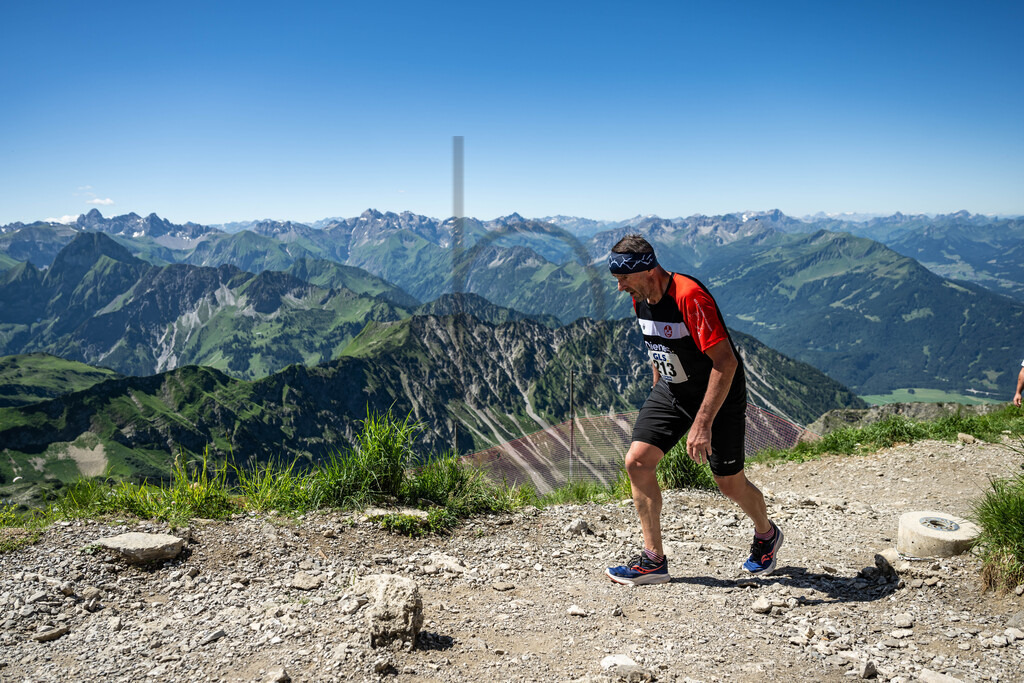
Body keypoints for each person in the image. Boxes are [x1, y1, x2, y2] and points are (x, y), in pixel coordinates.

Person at [605, 234, 783, 585]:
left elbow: (726, 362)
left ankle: (767, 535)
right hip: (674, 391)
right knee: (637, 462)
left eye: (624, 279)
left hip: (719, 394)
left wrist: (703, 423)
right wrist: (659, 384)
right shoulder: (640, 297)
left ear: (647, 270)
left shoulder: (689, 296)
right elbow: (659, 342)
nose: (620, 287)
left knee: (728, 483)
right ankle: (653, 561)